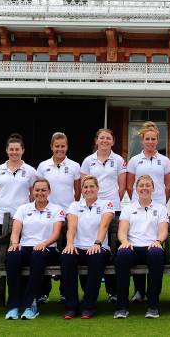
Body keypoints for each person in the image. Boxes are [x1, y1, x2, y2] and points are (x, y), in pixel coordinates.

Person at [4, 178, 65, 320]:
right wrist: (14, 243)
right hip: (26, 248)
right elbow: (15, 232)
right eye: (37, 190)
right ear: (32, 191)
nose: (40, 193)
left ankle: (31, 304)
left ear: (49, 191)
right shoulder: (23, 209)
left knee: (38, 254)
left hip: (48, 249)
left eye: (43, 190)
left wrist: (44, 243)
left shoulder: (56, 209)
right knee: (13, 255)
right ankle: (14, 305)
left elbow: (56, 234)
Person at [126, 121, 170, 302]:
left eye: (153, 139)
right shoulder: (134, 160)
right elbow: (130, 186)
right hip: (139, 208)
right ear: (142, 140)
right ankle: (139, 290)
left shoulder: (165, 160)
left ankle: (154, 292)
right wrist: (140, 200)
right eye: (147, 139)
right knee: (138, 242)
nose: (151, 142)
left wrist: (160, 202)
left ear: (157, 140)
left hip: (158, 209)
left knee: (155, 247)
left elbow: (168, 185)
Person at [81, 128, 126, 302]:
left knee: (111, 250)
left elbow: (121, 188)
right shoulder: (88, 161)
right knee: (89, 245)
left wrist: (111, 203)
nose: (105, 141)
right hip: (90, 208)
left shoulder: (119, 160)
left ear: (113, 141)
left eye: (108, 138)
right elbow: (84, 185)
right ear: (96, 140)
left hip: (112, 208)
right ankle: (88, 291)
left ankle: (112, 292)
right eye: (102, 138)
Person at [114, 175, 169, 319]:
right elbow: (122, 231)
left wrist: (159, 240)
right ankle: (122, 306)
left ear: (153, 188)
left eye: (148, 185)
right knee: (122, 255)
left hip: (152, 246)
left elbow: (163, 230)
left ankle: (153, 306)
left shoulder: (161, 208)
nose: (144, 188)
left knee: (156, 254)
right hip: (132, 247)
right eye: (141, 185)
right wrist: (124, 241)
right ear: (136, 189)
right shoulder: (128, 208)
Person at [61, 176, 114, 319]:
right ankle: (71, 306)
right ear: (82, 190)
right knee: (66, 257)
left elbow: (104, 225)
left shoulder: (106, 204)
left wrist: (97, 243)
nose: (88, 189)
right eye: (85, 187)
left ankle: (88, 305)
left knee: (96, 258)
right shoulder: (74, 205)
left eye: (92, 186)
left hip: (99, 247)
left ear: (98, 188)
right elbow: (71, 227)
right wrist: (70, 244)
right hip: (78, 247)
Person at [36, 132, 81, 303]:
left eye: (63, 146)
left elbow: (78, 191)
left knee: (67, 254)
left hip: (68, 215)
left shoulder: (75, 166)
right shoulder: (43, 166)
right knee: (45, 252)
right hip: (48, 215)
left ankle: (65, 292)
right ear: (52, 147)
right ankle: (43, 292)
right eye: (57, 146)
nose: (60, 149)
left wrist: (70, 209)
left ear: (67, 147)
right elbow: (39, 189)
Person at [0, 133, 37, 265]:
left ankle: (20, 285)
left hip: (23, 218)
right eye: (11, 149)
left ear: (22, 150)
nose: (14, 152)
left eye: (17, 149)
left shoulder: (31, 171)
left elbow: (33, 193)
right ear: (6, 150)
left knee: (21, 253)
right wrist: (3, 203)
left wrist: (24, 206)